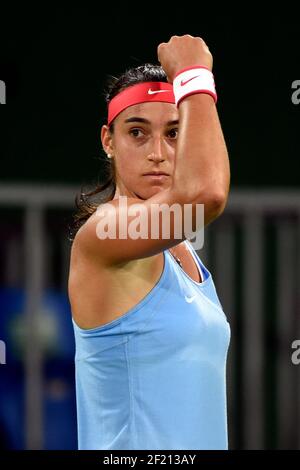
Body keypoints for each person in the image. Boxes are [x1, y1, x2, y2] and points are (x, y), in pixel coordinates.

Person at [68, 34, 231, 450]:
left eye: (175, 134)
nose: (157, 152)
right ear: (108, 141)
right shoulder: (103, 234)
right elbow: (205, 195)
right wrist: (196, 76)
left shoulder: (184, 252)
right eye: (137, 132)